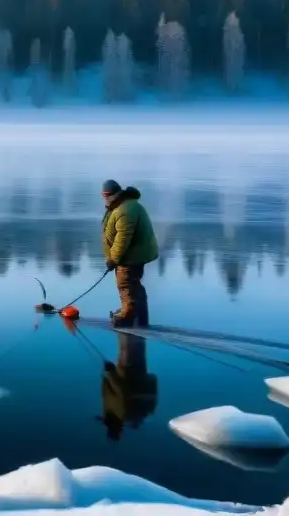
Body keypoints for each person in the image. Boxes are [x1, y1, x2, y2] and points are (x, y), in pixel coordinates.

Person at [101, 179, 159, 328]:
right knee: (134, 284)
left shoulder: (124, 210)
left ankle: (127, 317)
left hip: (131, 256)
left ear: (115, 195)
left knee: (125, 284)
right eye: (103, 195)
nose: (104, 198)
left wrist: (113, 259)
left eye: (106, 195)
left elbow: (122, 239)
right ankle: (139, 314)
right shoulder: (124, 205)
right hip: (134, 253)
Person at [98, 332, 158, 441]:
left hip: (136, 369)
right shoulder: (119, 413)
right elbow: (121, 391)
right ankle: (129, 322)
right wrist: (111, 371)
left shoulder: (135, 414)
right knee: (129, 341)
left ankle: (131, 322)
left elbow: (152, 382)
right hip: (128, 369)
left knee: (135, 342)